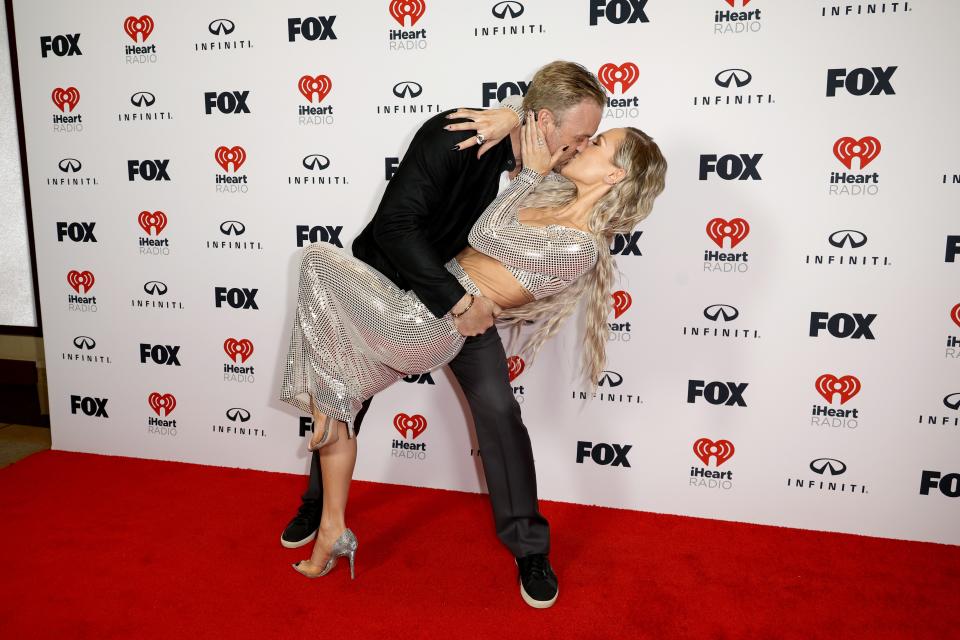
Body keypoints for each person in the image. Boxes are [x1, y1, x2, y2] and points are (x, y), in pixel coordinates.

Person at [281, 112, 667, 601]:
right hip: (434, 294)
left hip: (454, 317)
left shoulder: (577, 241)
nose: (582, 145)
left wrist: (530, 172)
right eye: (583, 137)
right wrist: (511, 117)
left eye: (597, 144)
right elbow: (532, 131)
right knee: (342, 383)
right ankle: (323, 514)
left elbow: (488, 236)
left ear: (614, 175)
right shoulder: (552, 193)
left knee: (499, 413)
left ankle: (530, 548)